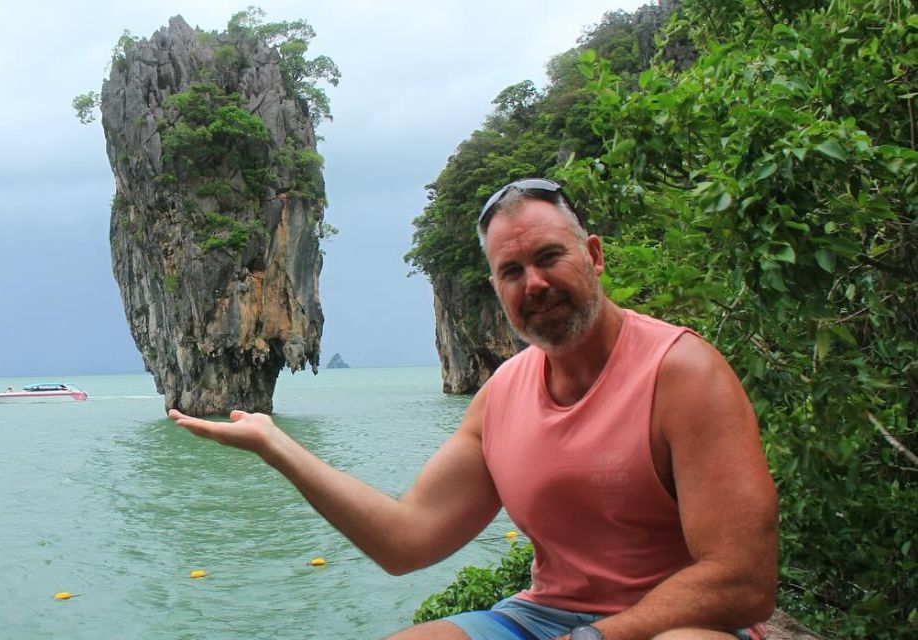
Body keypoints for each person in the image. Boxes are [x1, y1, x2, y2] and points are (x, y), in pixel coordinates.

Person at [169, 178, 779, 640]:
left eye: (549, 257)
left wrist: (595, 637)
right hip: (542, 619)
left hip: (672, 625)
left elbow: (743, 581)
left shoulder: (683, 373)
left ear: (593, 255)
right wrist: (278, 446)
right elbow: (407, 542)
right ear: (496, 289)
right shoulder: (503, 394)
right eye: (511, 270)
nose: (533, 283)